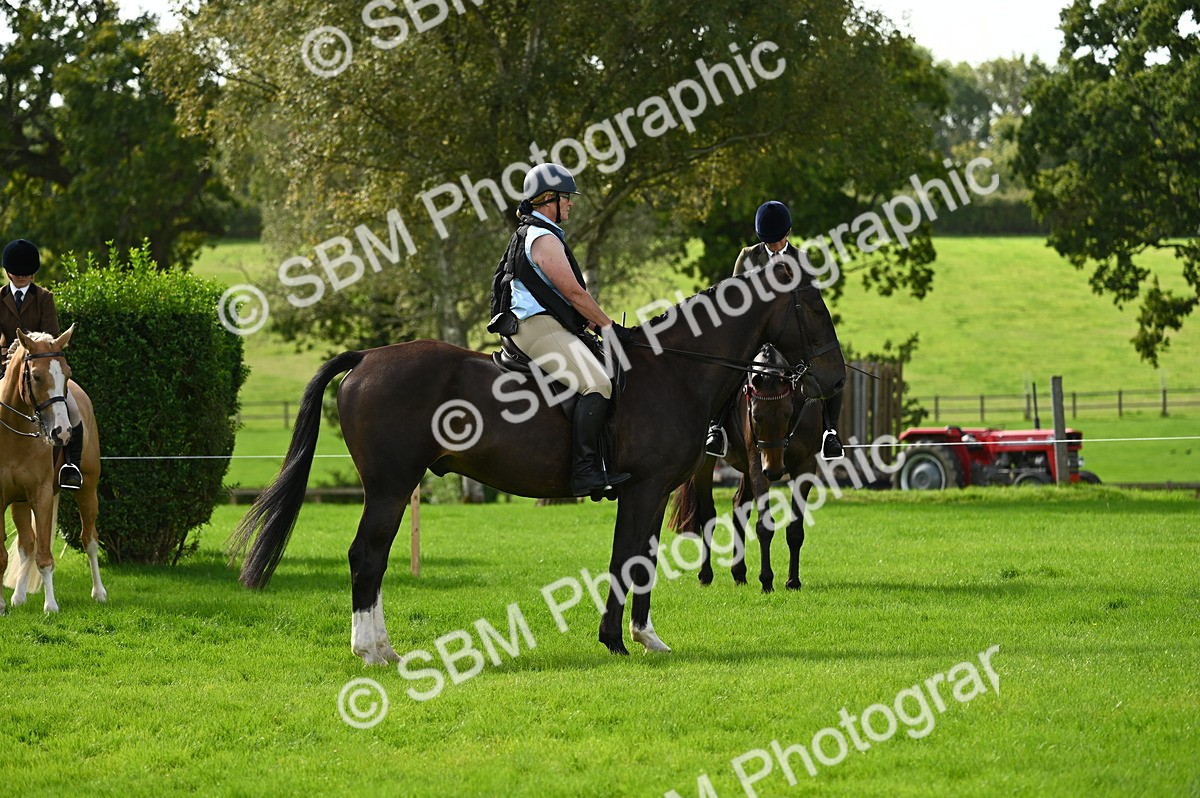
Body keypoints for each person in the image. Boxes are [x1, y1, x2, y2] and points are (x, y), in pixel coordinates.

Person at [490, 163, 631, 499]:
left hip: (543, 323)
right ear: (548, 199)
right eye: (566, 198)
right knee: (597, 383)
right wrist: (609, 326)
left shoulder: (537, 232)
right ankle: (584, 472)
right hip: (535, 326)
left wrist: (597, 322)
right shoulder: (542, 238)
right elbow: (574, 294)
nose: (570, 204)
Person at [705, 201, 845, 460]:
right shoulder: (748, 257)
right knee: (728, 366)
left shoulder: (801, 259)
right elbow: (735, 302)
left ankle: (830, 432)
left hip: (790, 336)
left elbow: (810, 301)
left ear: (788, 232)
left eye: (779, 241)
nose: (775, 246)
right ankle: (716, 426)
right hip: (755, 335)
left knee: (830, 363)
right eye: (770, 242)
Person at [0, 239, 84, 489]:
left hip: (40, 368)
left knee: (73, 408)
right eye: (17, 274)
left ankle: (71, 465)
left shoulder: (45, 298)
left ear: (34, 273)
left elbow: (52, 335)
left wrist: (33, 348)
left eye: (27, 274)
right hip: (4, 365)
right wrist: (7, 355)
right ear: (7, 272)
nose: (22, 278)